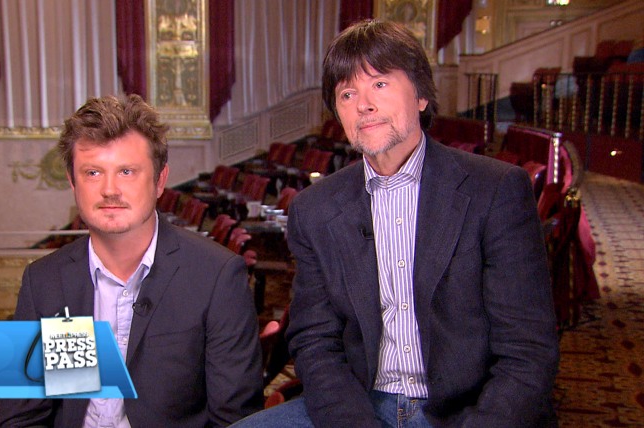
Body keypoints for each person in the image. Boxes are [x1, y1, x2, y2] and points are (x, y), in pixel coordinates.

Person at [233, 20, 558, 427]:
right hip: (362, 404)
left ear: (421, 94)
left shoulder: (495, 191)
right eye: (347, 94)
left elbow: (527, 353)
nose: (363, 105)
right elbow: (315, 341)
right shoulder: (315, 209)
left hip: (468, 411)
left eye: (380, 84)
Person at [0, 94, 262, 427]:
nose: (110, 190)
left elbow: (234, 422)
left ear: (160, 181)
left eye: (126, 171)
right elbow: (21, 419)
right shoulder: (45, 281)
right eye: (93, 172)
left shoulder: (216, 277)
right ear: (73, 182)